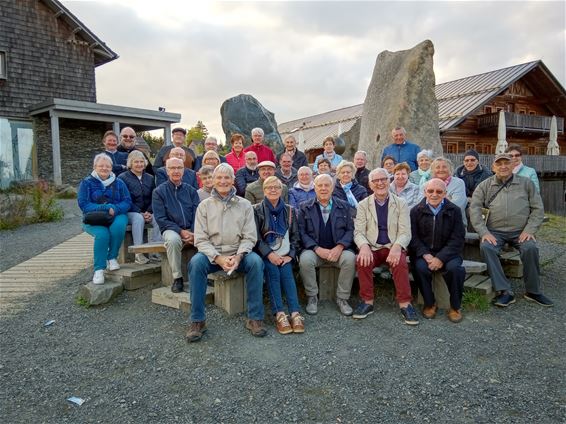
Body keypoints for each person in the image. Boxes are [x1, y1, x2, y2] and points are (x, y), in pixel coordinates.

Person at [187, 163, 267, 342]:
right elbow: (200, 239)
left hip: (239, 253)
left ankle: (255, 318)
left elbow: (250, 237)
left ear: (233, 181)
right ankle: (197, 320)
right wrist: (218, 258)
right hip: (212, 255)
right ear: (213, 181)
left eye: (227, 178)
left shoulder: (245, 205)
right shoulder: (204, 206)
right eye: (219, 177)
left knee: (256, 262)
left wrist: (239, 256)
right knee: (195, 263)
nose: (223, 181)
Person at [470, 153, 552, 308]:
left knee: (530, 248)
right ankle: (504, 291)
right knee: (487, 247)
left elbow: (538, 209)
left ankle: (533, 291)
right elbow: (474, 210)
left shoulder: (526, 184)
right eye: (499, 164)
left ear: (513, 165)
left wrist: (530, 230)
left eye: (506, 163)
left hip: (521, 231)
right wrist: (484, 233)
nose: (503, 167)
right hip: (495, 232)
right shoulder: (484, 185)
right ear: (494, 167)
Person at [352, 168, 418, 325]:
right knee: (362, 261)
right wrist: (364, 247)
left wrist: (397, 247)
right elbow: (359, 232)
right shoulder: (363, 205)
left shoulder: (401, 203)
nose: (380, 183)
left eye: (383, 179)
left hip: (392, 246)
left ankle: (405, 304)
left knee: (400, 263)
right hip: (373, 247)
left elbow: (405, 232)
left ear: (389, 181)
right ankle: (367, 301)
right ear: (370, 184)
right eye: (376, 181)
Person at [298, 174, 356, 316]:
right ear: (314, 187)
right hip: (314, 250)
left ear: (332, 188)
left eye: (327, 185)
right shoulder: (305, 207)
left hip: (339, 250)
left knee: (350, 259)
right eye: (320, 185)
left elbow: (351, 230)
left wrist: (340, 246)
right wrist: (317, 248)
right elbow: (301, 232)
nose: (323, 188)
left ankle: (342, 298)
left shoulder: (344, 206)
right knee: (305, 260)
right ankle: (312, 297)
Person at [253, 176, 305, 335]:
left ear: (282, 190)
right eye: (269, 187)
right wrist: (269, 254)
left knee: (287, 274)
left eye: (276, 187)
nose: (273, 190)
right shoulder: (256, 210)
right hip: (266, 255)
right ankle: (280, 314)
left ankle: (295, 313)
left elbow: (296, 237)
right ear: (264, 190)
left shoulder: (290, 210)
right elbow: (255, 237)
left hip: (285, 255)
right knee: (273, 273)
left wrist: (290, 255)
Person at [409, 178, 466, 323]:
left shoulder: (454, 210)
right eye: (430, 191)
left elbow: (457, 238)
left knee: (455, 269)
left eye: (439, 191)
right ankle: (429, 303)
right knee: (420, 267)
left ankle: (455, 306)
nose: (434, 194)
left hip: (449, 253)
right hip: (424, 252)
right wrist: (426, 255)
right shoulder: (415, 211)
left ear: (445, 193)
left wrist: (440, 258)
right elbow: (413, 237)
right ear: (424, 192)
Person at [78, 153, 131, 285]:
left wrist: (115, 209)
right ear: (95, 166)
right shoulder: (86, 183)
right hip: (94, 218)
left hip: (116, 214)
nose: (104, 168)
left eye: (107, 166)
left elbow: (127, 201)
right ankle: (99, 269)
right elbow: (84, 204)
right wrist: (105, 208)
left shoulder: (119, 182)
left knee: (118, 227)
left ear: (111, 167)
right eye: (101, 165)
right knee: (102, 235)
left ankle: (112, 257)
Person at [152, 157, 200, 293]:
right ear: (167, 171)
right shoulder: (159, 192)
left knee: (206, 236)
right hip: (170, 229)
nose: (176, 171)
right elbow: (161, 218)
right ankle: (177, 278)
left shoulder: (191, 191)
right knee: (173, 240)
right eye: (172, 168)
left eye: (179, 168)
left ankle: (203, 273)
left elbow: (197, 214)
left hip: (191, 228)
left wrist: (193, 231)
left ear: (183, 170)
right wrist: (180, 231)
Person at [118, 151, 162, 264]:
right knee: (138, 218)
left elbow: (154, 197)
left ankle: (157, 250)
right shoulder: (122, 178)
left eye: (141, 161)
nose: (139, 164)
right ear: (130, 163)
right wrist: (139, 212)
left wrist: (149, 211)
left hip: (147, 211)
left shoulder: (150, 178)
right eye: (136, 162)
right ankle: (139, 253)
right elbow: (125, 200)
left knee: (158, 217)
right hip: (130, 212)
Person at [421, 157, 467, 226]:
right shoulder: (426, 185)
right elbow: (421, 206)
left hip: (454, 224)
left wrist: (433, 202)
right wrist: (446, 199)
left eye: (444, 167)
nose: (441, 170)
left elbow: (458, 207)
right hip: (429, 224)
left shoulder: (459, 183)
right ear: (432, 170)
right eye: (437, 167)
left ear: (450, 169)